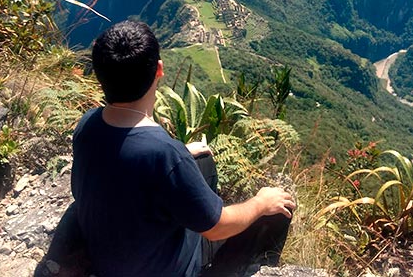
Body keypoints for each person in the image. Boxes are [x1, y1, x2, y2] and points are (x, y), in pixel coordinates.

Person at [71, 20, 296, 276]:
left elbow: (117, 167)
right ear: (159, 70)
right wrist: (260, 202)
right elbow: (217, 228)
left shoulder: (87, 124)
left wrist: (182, 158)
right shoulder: (164, 154)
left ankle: (202, 215)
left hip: (115, 254)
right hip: (167, 269)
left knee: (203, 161)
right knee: (278, 211)